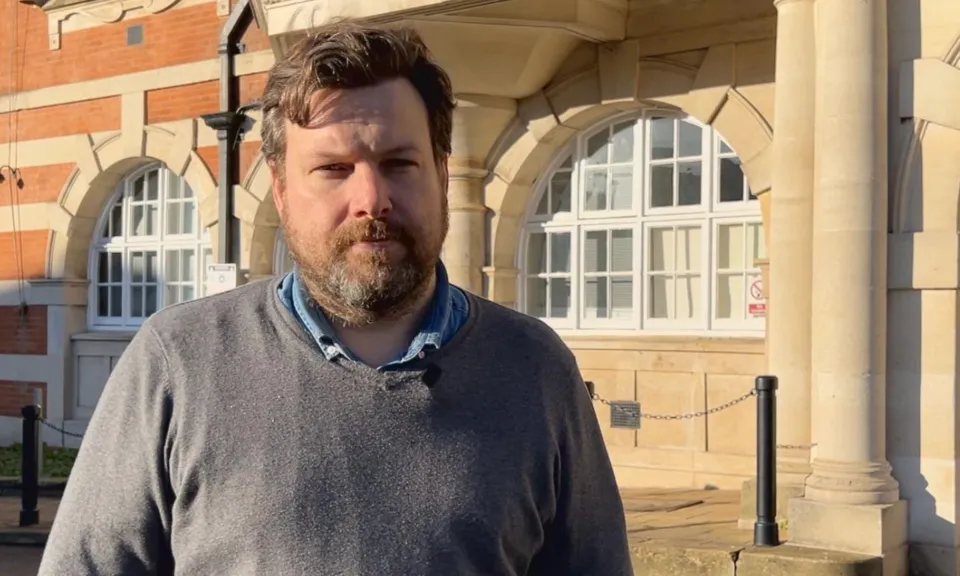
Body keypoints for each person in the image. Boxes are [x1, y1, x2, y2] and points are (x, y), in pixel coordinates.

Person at [38, 21, 633, 576]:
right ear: (281, 189)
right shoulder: (177, 363)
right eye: (332, 168)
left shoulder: (533, 368)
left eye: (400, 162)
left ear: (441, 173)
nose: (371, 198)